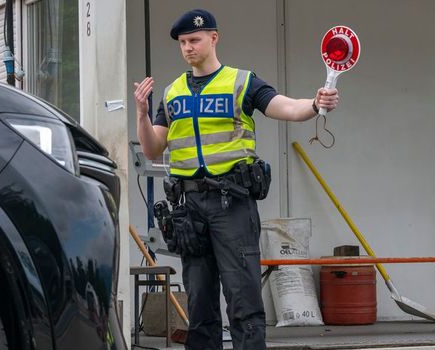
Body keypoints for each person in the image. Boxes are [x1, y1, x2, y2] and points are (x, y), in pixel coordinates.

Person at [133, 8, 339, 350]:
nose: (188, 48)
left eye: (194, 40)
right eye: (183, 42)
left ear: (214, 38)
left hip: (232, 205)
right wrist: (141, 115)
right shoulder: (172, 93)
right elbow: (154, 149)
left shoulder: (242, 82)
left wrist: (316, 104)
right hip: (190, 209)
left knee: (243, 301)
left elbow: (284, 107)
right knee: (199, 305)